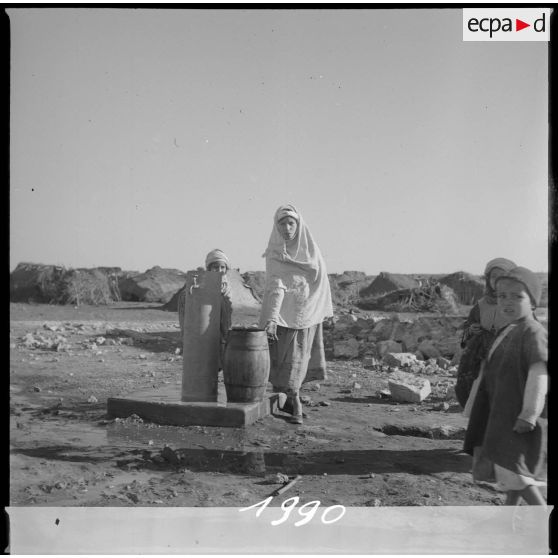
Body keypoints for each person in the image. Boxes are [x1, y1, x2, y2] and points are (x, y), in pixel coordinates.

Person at [464, 266, 547, 506]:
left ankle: (543, 521)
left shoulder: (533, 333)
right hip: (503, 416)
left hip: (519, 419)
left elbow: (539, 374)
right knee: (509, 473)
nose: (507, 302)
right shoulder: (509, 330)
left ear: (532, 302)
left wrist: (529, 414)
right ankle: (507, 520)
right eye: (502, 296)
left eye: (517, 297)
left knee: (518, 475)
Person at [259, 204, 333, 424]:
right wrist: (272, 317)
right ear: (276, 226)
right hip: (281, 316)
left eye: (291, 223)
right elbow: (276, 286)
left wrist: (320, 307)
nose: (287, 228)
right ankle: (289, 402)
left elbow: (322, 281)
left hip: (306, 313)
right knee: (282, 360)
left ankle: (296, 404)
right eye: (282, 223)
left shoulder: (310, 251)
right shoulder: (275, 253)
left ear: (299, 225)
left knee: (297, 359)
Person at [455, 257, 517, 408]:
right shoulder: (481, 306)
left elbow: (531, 328)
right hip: (482, 363)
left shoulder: (518, 303)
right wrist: (471, 330)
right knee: (480, 402)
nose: (497, 280)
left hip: (510, 361)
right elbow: (465, 331)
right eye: (494, 276)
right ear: (488, 279)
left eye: (502, 276)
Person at [178, 249, 232, 368]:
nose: (219, 271)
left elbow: (227, 313)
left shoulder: (227, 287)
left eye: (222, 267)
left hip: (221, 331)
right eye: (215, 267)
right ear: (209, 268)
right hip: (204, 332)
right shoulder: (200, 284)